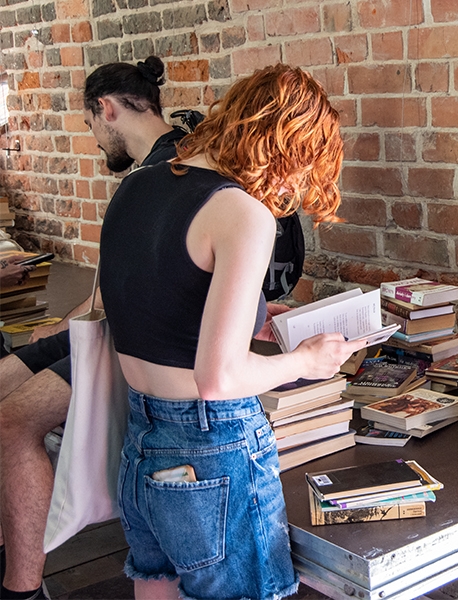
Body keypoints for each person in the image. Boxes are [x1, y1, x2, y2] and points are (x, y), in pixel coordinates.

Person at [98, 64, 364, 600]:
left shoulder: (135, 188)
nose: (296, 186)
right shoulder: (241, 212)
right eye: (304, 165)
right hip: (211, 445)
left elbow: (160, 309)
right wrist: (305, 361)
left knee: (154, 582)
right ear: (285, 144)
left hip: (142, 441)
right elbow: (218, 377)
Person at [0, 56, 184, 600]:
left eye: (89, 127)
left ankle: (22, 589)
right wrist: (66, 323)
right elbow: (110, 285)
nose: (95, 142)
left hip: (131, 343)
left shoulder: (168, 175)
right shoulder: (146, 174)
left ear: (105, 109)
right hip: (102, 323)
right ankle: (11, 528)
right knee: (4, 374)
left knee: (11, 424)